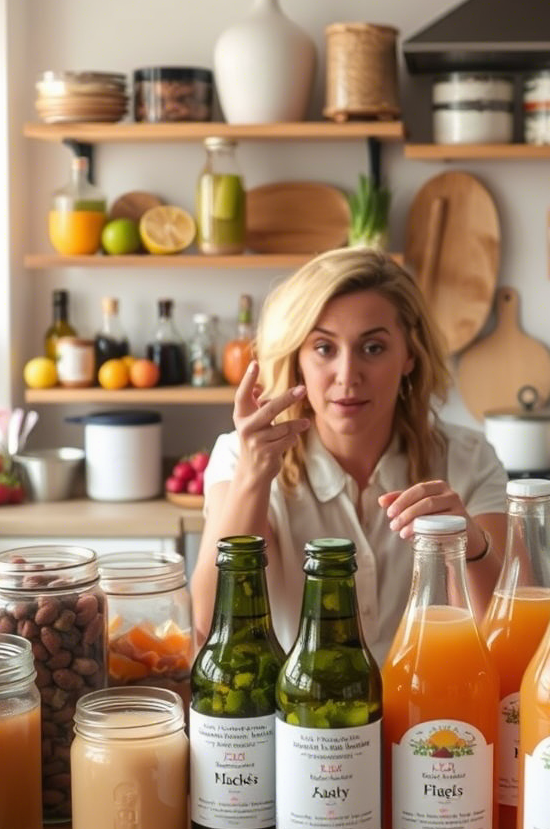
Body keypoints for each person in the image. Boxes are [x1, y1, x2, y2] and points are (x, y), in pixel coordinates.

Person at [189, 247, 509, 662]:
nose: (347, 375)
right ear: (297, 359)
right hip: (295, 720)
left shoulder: (469, 460)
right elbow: (207, 624)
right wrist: (253, 477)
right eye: (324, 348)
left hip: (430, 717)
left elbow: (504, 636)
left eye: (373, 348)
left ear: (409, 355)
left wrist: (471, 545)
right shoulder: (240, 455)